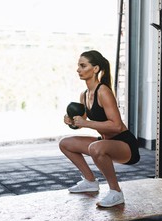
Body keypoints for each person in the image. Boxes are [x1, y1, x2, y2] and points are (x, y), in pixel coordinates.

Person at [59, 50, 140, 208]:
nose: (78, 70)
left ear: (95, 69)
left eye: (83, 66)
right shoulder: (84, 95)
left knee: (95, 147)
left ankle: (116, 192)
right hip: (104, 142)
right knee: (65, 143)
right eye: (78, 66)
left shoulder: (103, 92)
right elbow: (81, 123)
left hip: (125, 145)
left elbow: (116, 125)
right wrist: (72, 122)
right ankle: (90, 181)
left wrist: (85, 123)